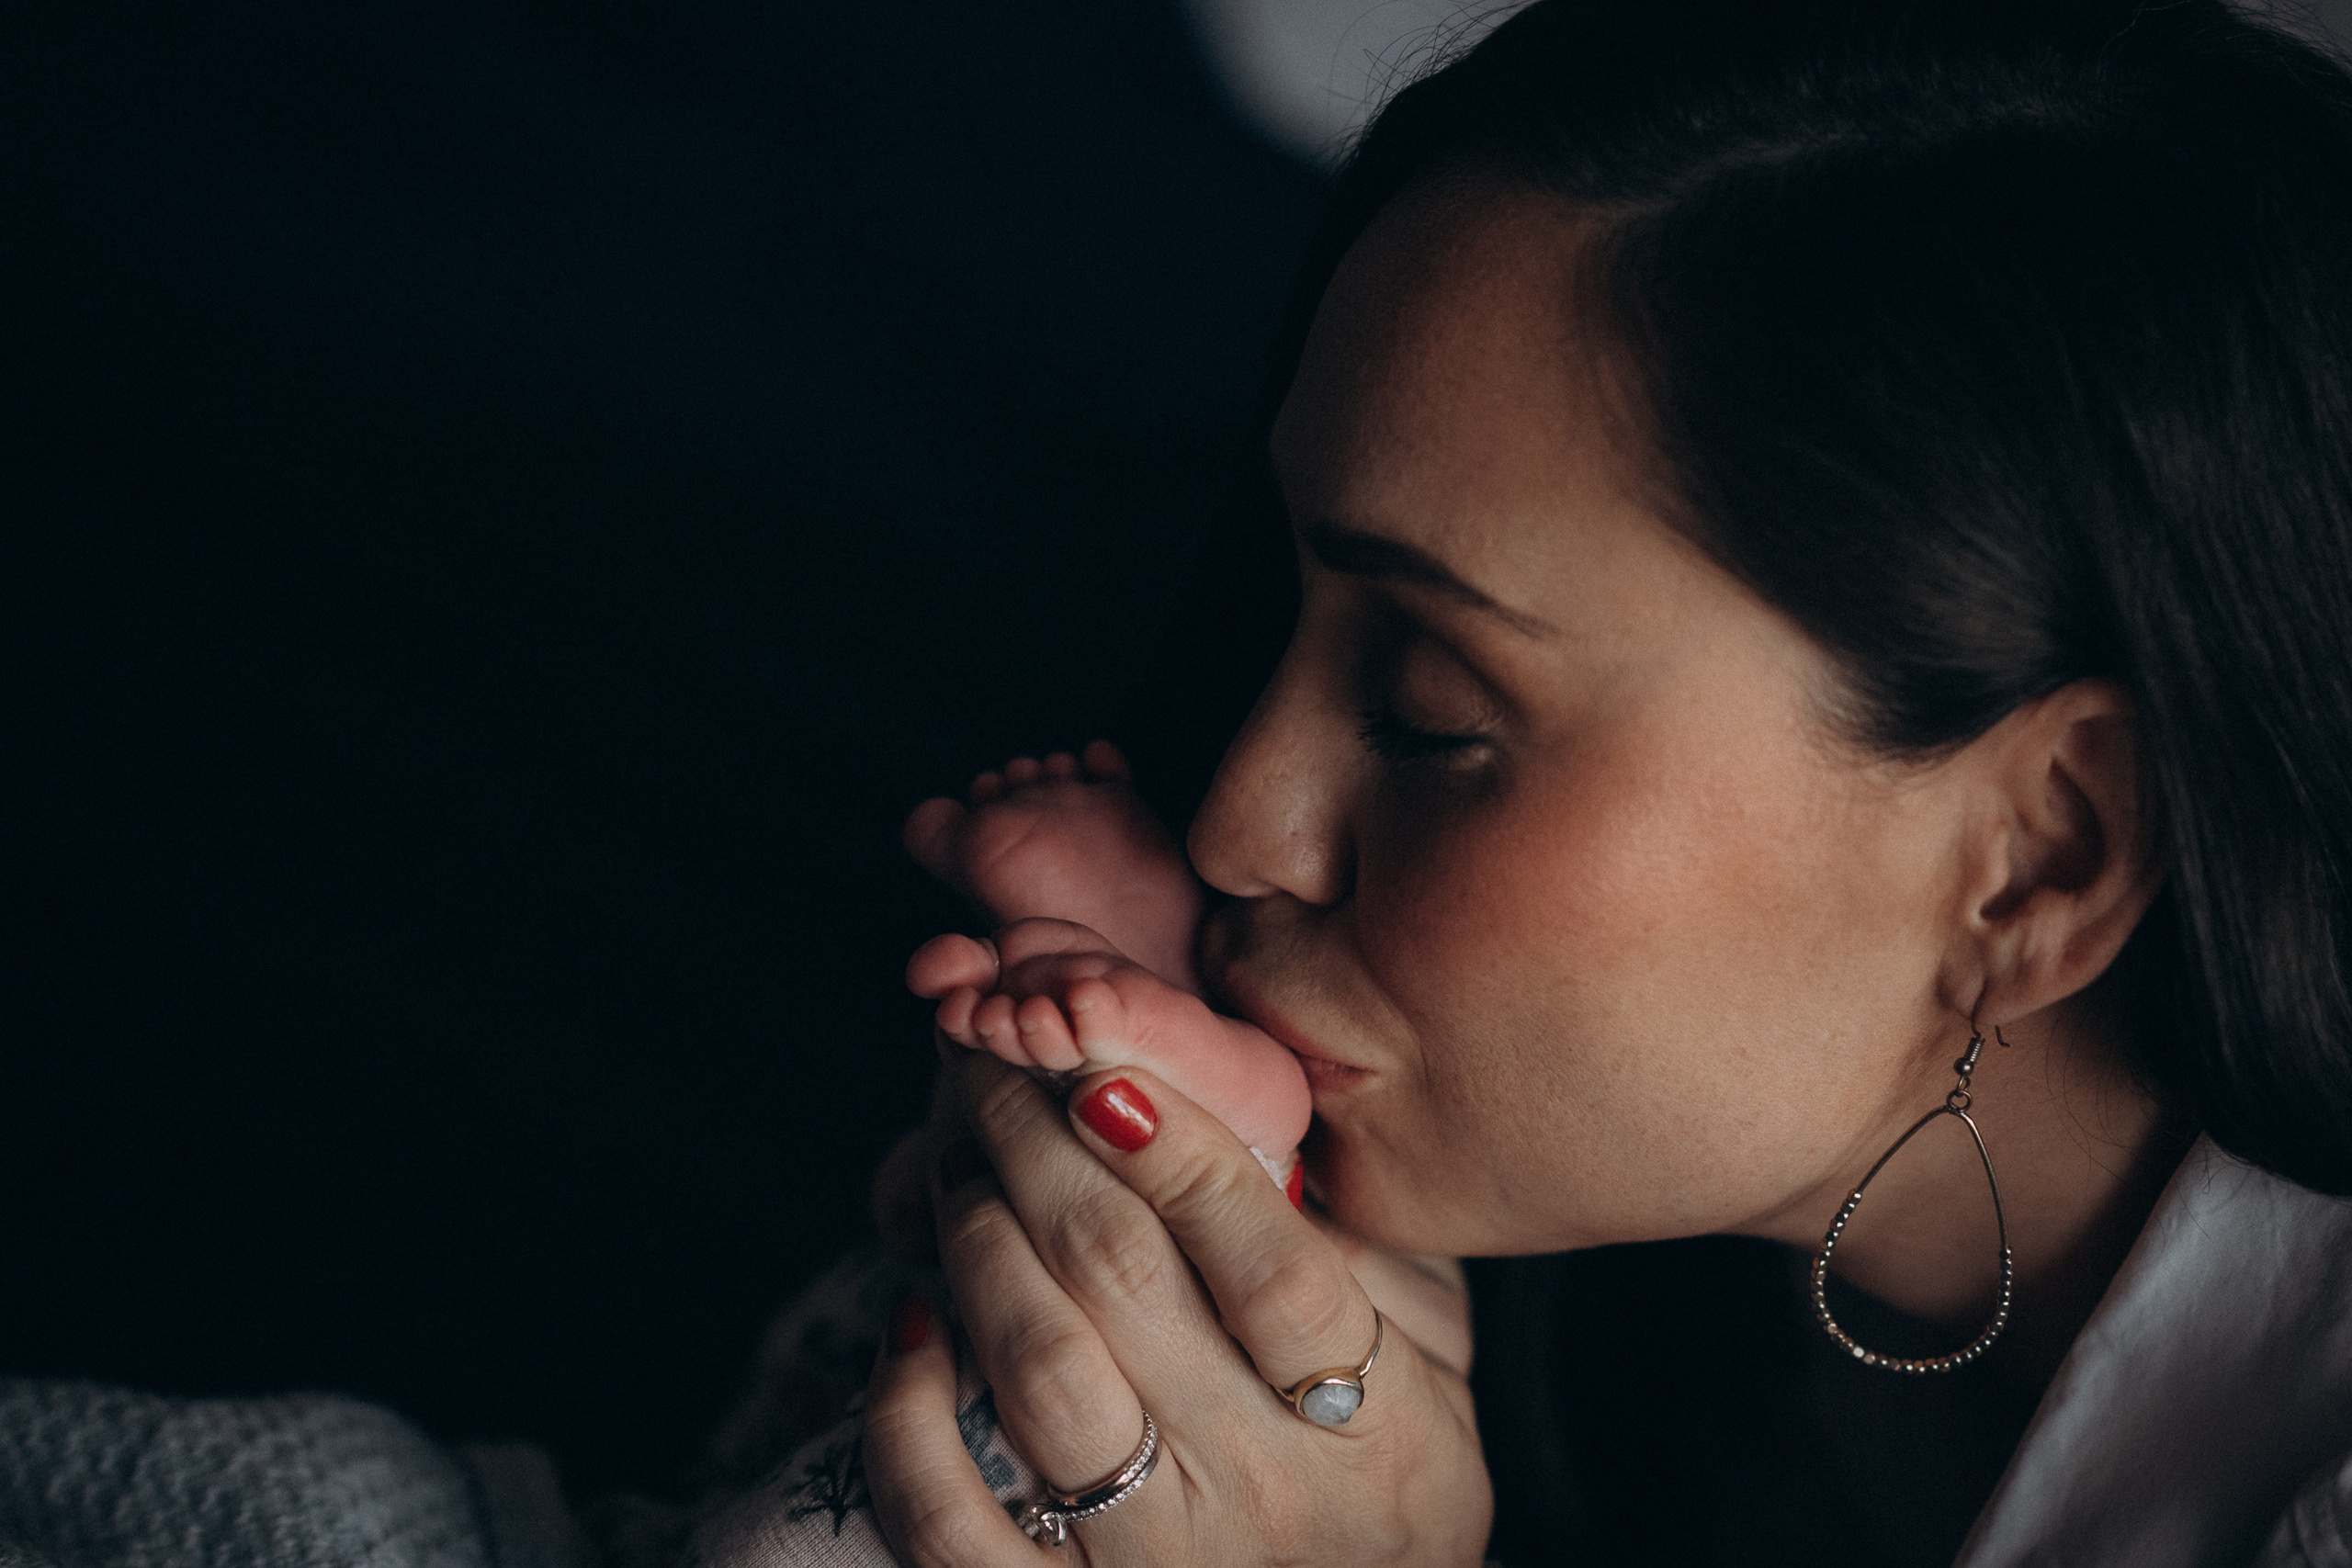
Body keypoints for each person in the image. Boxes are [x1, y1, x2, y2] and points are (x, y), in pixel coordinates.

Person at [831, 2, 2352, 1564]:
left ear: (2042, 857)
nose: (1240, 825)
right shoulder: (1626, 1297)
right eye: (1286, 607)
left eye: (1430, 716)